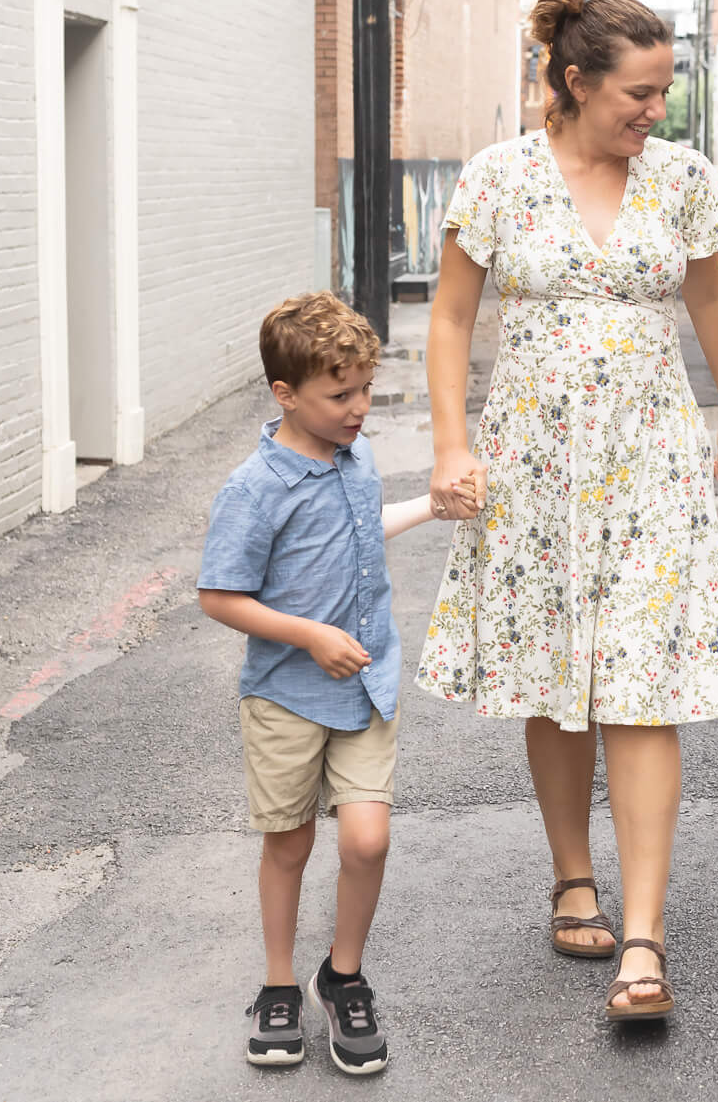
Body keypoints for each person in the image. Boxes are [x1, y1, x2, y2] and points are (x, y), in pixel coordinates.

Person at [419, 0, 718, 1025]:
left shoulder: (682, 178)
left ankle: (644, 933)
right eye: (637, 95)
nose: (656, 113)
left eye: (663, 93)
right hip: (534, 463)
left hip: (651, 453)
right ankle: (574, 873)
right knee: (558, 671)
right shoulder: (499, 178)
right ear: (574, 81)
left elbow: (706, 293)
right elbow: (451, 321)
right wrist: (451, 443)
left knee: (643, 680)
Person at [197, 292, 469, 1073]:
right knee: (288, 843)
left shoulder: (356, 458)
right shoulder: (254, 487)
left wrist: (430, 505)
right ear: (286, 394)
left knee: (367, 836)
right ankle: (279, 983)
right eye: (340, 394)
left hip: (365, 686)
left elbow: (357, 527)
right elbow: (219, 596)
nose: (359, 409)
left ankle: (340, 974)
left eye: (364, 390)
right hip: (285, 691)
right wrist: (310, 634)